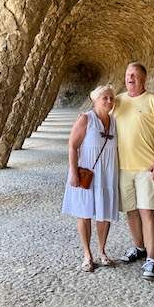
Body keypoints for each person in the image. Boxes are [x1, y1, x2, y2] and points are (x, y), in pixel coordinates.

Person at [114, 62, 154, 279]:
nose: (130, 78)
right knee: (131, 211)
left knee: (147, 211)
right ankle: (139, 248)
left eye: (135, 76)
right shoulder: (118, 101)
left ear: (144, 79)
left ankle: (152, 258)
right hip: (123, 167)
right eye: (128, 75)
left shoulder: (153, 101)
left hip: (147, 168)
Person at [62, 84, 120, 272]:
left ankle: (102, 251)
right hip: (87, 173)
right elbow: (72, 145)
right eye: (105, 98)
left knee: (104, 214)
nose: (109, 101)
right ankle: (87, 255)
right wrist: (73, 172)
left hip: (107, 174)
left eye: (111, 98)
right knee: (84, 212)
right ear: (95, 100)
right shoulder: (86, 119)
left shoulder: (114, 122)